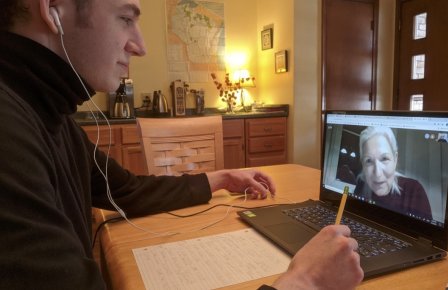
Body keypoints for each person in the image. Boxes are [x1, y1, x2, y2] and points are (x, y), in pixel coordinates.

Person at [0, 0, 363, 289]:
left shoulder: (48, 112)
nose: (140, 46)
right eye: (126, 18)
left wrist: (219, 179)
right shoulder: (10, 131)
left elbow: (126, 190)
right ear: (52, 10)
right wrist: (306, 282)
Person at [354, 126, 432, 220]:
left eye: (384, 159)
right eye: (369, 161)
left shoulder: (414, 190)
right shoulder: (361, 184)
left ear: (395, 159)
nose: (378, 174)